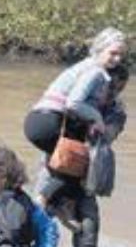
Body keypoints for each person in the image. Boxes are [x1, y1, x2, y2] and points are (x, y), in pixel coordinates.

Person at [31, 62, 128, 247]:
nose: (112, 93)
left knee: (89, 229)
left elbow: (109, 134)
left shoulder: (116, 111)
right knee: (35, 227)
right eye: (110, 87)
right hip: (55, 171)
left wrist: (98, 122)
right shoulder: (75, 102)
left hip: (86, 175)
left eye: (118, 89)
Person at [24, 28, 127, 211]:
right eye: (113, 53)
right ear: (100, 49)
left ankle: (46, 203)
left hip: (39, 120)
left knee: (61, 164)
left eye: (121, 55)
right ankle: (44, 202)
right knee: (77, 164)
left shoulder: (85, 67)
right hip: (48, 121)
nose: (117, 59)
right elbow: (74, 102)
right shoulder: (95, 71)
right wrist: (97, 119)